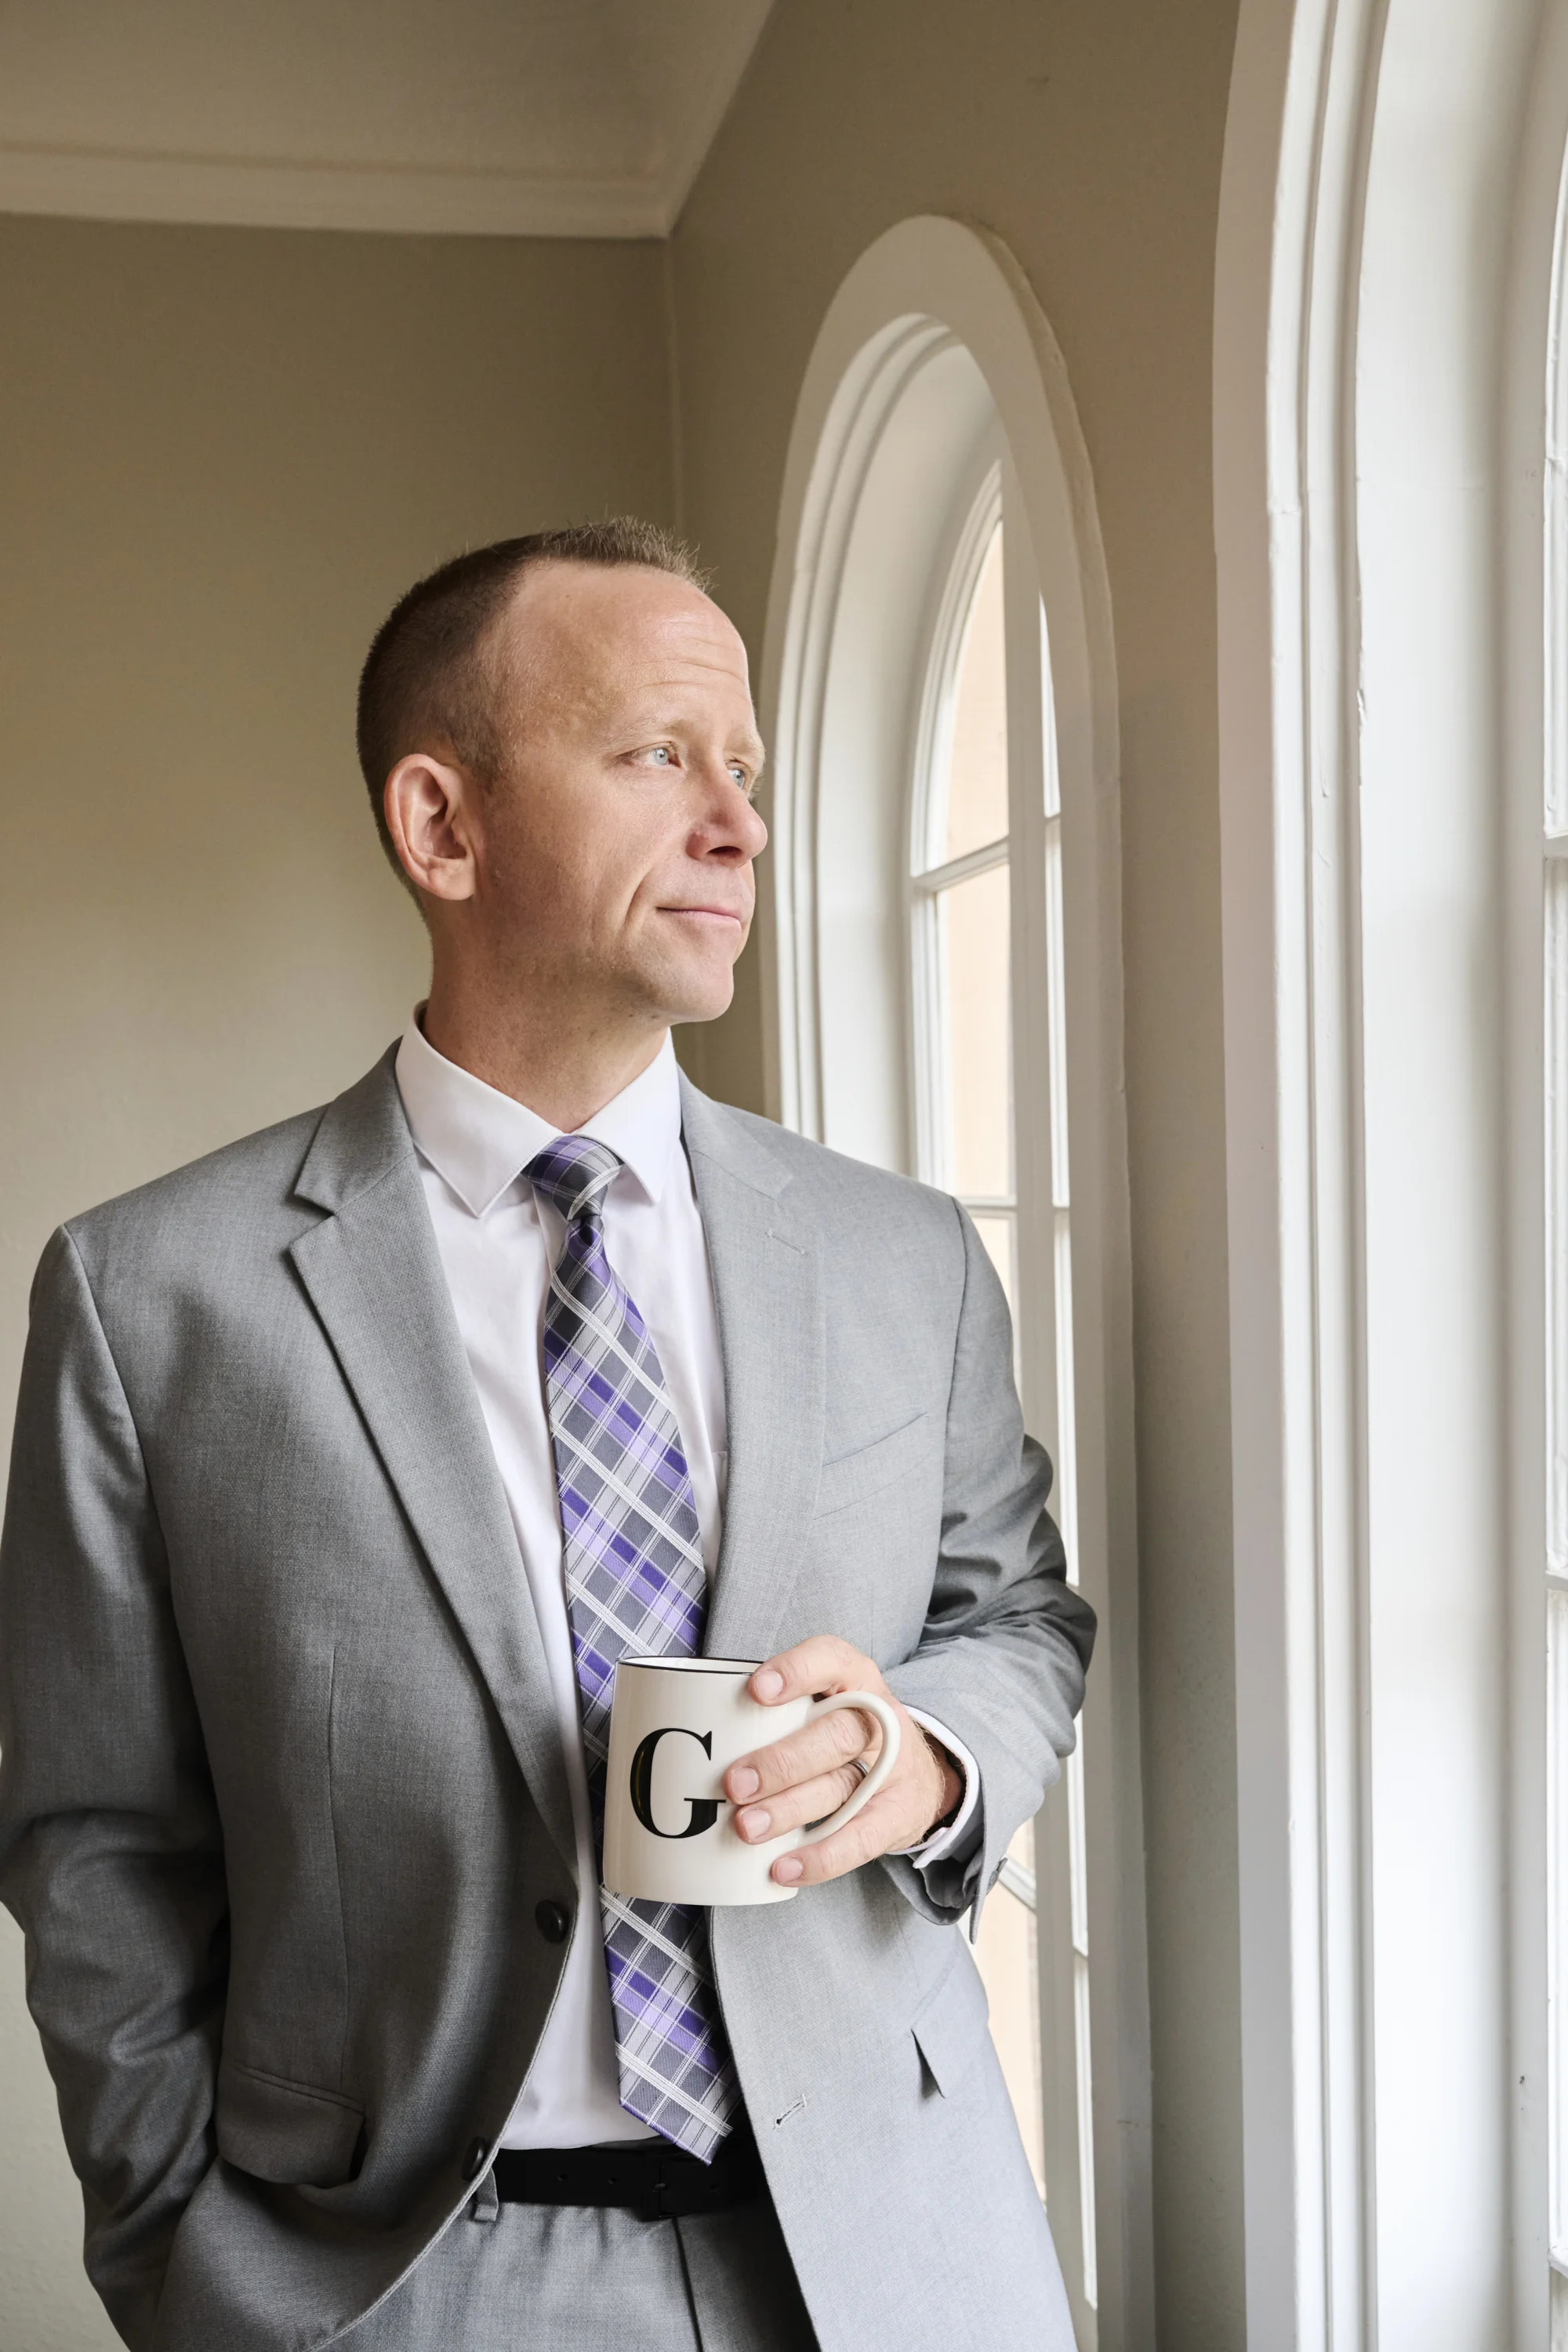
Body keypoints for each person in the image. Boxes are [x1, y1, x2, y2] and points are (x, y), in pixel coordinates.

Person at [0, 519, 1095, 2352]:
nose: (739, 824)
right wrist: (180, 2248)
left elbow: (1021, 1622)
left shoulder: (902, 1254)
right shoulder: (150, 1299)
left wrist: (929, 1760)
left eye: (742, 770)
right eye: (660, 755)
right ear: (443, 826)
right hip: (397, 2284)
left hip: (891, 2261)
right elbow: (97, 1837)